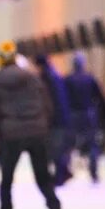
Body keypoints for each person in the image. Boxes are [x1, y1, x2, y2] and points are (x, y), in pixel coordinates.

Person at [0, 41, 64, 209]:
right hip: (37, 132)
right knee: (43, 178)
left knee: (6, 183)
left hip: (11, 135)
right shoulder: (32, 78)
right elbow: (47, 105)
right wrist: (42, 125)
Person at [65, 52, 105, 184]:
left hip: (72, 115)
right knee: (92, 145)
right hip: (88, 115)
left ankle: (65, 171)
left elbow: (63, 99)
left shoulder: (68, 80)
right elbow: (100, 98)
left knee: (68, 145)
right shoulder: (90, 79)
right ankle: (93, 173)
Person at [35, 55, 73, 187]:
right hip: (61, 118)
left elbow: (48, 101)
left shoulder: (46, 78)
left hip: (53, 120)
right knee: (58, 148)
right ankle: (61, 174)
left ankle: (59, 176)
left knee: (53, 149)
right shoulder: (55, 76)